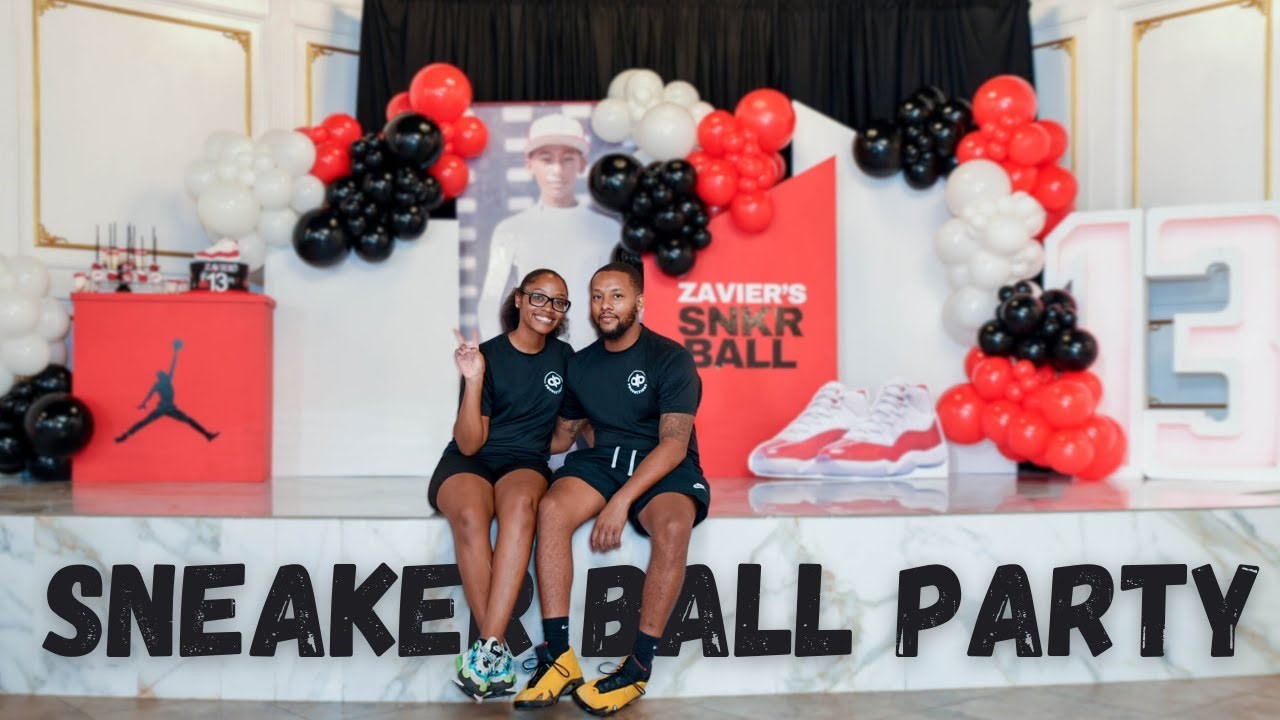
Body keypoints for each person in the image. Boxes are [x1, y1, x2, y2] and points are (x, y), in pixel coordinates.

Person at [513, 262, 710, 715]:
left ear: (638, 302)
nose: (605, 306)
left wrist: (621, 502)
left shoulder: (670, 357)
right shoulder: (581, 365)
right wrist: (507, 427)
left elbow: (674, 445)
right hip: (604, 461)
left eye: (617, 296)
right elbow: (563, 436)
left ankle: (638, 666)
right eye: (597, 296)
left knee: (675, 526)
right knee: (552, 511)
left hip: (662, 465)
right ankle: (560, 657)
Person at [428, 268, 576, 700]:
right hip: (470, 457)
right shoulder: (485, 356)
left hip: (524, 461)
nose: (548, 308)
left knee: (518, 509)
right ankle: (496, 654)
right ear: (518, 299)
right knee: (472, 516)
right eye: (539, 297)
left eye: (558, 302)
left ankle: (487, 653)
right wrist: (474, 380)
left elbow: (559, 437)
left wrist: (576, 426)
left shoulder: (566, 359)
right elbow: (470, 442)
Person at [476, 114, 620, 351]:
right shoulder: (510, 230)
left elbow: (622, 300)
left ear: (582, 163)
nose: (557, 170)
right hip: (534, 356)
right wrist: (500, 358)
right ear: (529, 164)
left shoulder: (607, 230)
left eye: (567, 159)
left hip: (593, 358)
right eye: (546, 159)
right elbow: (490, 300)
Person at [115, 339, 218, 443]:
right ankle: (124, 436)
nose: (164, 374)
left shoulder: (164, 382)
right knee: (145, 423)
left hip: (170, 408)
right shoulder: (163, 382)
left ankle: (207, 435)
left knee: (188, 420)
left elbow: (172, 366)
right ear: (161, 376)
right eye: (162, 374)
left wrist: (176, 353)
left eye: (163, 374)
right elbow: (150, 393)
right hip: (164, 408)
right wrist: (144, 403)